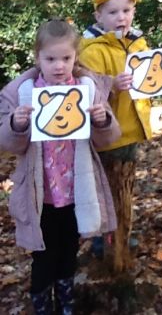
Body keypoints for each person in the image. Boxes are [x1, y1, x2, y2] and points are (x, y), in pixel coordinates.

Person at [0, 19, 119, 314]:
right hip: (41, 195)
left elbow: (107, 139)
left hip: (77, 190)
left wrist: (102, 120)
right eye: (51, 59)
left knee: (69, 250)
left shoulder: (86, 90)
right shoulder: (24, 93)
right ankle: (42, 303)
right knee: (43, 254)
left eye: (66, 58)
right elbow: (9, 143)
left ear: (75, 57)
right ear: (37, 57)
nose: (59, 65)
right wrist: (17, 124)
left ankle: (66, 301)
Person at [79, 0, 152, 272]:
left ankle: (121, 235)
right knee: (105, 192)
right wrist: (112, 85)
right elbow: (86, 92)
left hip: (132, 128)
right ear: (99, 15)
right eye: (113, 12)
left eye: (126, 10)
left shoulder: (138, 43)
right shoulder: (91, 50)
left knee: (124, 191)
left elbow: (149, 80)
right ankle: (104, 243)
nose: (121, 17)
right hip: (107, 134)